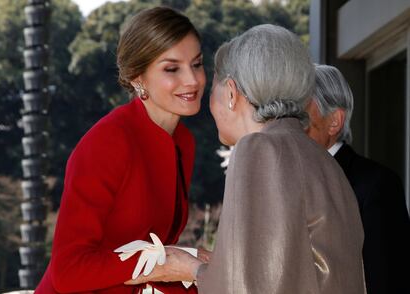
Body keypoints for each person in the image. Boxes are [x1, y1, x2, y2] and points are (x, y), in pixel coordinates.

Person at [126, 24, 366, 294]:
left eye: (213, 89)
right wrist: (219, 264)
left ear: (231, 93)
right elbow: (284, 269)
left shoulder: (259, 149)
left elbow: (247, 286)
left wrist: (189, 268)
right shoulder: (322, 159)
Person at [35, 6, 206, 294]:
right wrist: (166, 265)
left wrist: (201, 266)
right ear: (138, 78)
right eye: (172, 68)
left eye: (197, 64)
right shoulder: (108, 142)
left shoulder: (183, 141)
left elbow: (145, 254)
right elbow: (68, 271)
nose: (192, 80)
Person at [306, 64, 410, 294]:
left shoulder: (376, 185)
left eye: (299, 115)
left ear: (334, 120)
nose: (289, 126)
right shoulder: (288, 180)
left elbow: (388, 281)